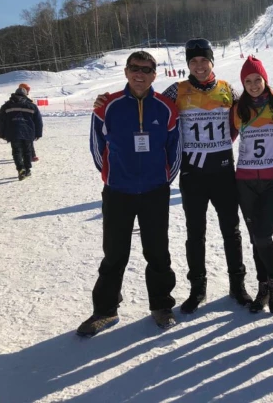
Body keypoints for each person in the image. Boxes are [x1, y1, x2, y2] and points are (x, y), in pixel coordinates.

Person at [94, 38, 252, 313]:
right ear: (188, 64)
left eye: (204, 60)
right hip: (193, 173)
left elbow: (246, 111)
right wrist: (104, 101)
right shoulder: (175, 90)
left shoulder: (228, 90)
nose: (200, 66)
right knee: (195, 233)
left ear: (212, 62)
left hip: (224, 170)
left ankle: (237, 285)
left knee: (231, 230)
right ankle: (197, 288)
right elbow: (147, 101)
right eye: (194, 61)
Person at [78, 51, 181, 337]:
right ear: (126, 71)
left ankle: (161, 305)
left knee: (158, 252)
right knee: (114, 253)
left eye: (146, 69)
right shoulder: (107, 106)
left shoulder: (166, 107)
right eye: (135, 68)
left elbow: (175, 149)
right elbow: (97, 147)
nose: (140, 74)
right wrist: (112, 178)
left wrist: (162, 181)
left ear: (154, 75)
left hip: (154, 192)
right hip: (118, 192)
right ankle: (105, 310)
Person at [231, 56, 273, 314]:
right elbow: (227, 138)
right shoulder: (237, 109)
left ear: (265, 79)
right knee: (256, 238)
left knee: (263, 234)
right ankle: (262, 286)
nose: (253, 85)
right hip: (244, 182)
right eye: (248, 81)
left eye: (257, 79)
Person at [0, 85, 43, 180]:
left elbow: (1, 121)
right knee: (27, 151)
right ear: (26, 95)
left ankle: (20, 169)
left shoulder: (6, 106)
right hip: (28, 132)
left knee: (16, 151)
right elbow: (38, 121)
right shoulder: (32, 105)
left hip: (12, 132)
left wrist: (2, 133)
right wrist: (38, 133)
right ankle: (27, 170)